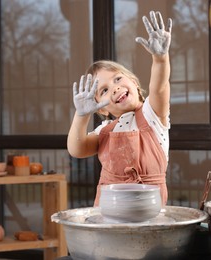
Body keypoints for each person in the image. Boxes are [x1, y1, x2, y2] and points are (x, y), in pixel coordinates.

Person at [67, 10, 172, 206]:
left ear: (133, 82)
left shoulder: (152, 114)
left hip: (149, 210)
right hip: (109, 212)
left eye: (118, 79)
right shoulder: (104, 131)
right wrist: (81, 115)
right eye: (104, 90)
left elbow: (159, 87)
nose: (115, 88)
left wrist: (160, 59)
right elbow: (77, 149)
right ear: (102, 109)